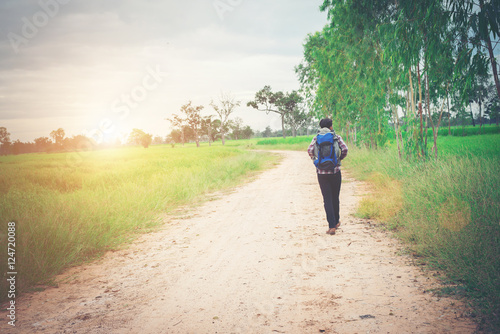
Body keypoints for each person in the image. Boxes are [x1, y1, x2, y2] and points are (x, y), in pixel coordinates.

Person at [307, 118, 348, 235]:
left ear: (321, 127)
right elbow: (345, 149)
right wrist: (339, 160)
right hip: (335, 172)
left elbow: (309, 150)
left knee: (327, 199)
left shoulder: (316, 138)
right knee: (335, 197)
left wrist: (316, 161)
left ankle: (331, 226)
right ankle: (336, 222)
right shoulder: (336, 137)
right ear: (330, 126)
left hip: (321, 174)